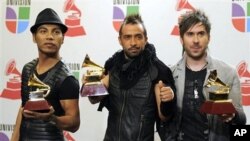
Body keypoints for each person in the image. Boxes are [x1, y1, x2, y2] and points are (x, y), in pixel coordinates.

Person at [82, 14, 176, 141]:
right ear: (120, 40)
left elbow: (164, 116)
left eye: (138, 37)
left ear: (146, 39)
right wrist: (88, 87)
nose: (133, 43)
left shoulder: (158, 70)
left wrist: (167, 101)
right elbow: (94, 99)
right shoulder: (113, 66)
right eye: (127, 37)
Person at [161, 10, 246, 141]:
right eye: (190, 34)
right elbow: (164, 120)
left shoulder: (228, 73)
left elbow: (242, 121)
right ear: (181, 39)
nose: (196, 40)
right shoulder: (170, 74)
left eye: (201, 34)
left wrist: (233, 116)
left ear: (209, 37)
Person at [11, 8, 80, 141]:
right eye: (43, 31)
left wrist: (52, 118)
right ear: (34, 37)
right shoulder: (27, 69)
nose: (50, 36)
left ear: (63, 38)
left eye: (56, 32)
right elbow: (23, 109)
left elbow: (74, 122)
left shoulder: (67, 79)